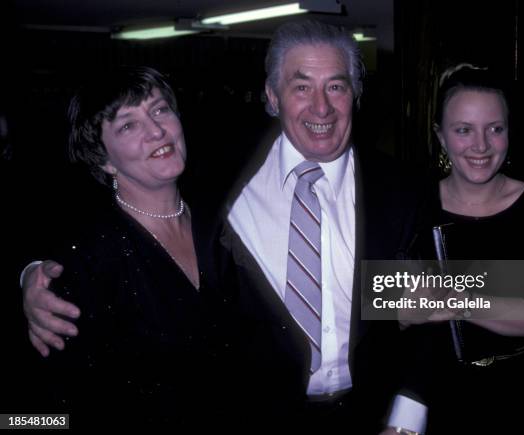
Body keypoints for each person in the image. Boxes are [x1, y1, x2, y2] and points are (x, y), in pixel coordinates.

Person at [22, 21, 433, 434]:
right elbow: (53, 206)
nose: (321, 108)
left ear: (356, 94)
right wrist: (31, 275)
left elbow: (439, 302)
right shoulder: (222, 171)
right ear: (272, 96)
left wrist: (408, 418)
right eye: (302, 86)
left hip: (371, 416)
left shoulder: (402, 190)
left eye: (337, 86)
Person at [23, 66, 234, 429]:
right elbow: (51, 410)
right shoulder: (87, 259)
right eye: (127, 125)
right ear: (104, 160)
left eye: (160, 109)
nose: (156, 130)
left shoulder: (225, 222)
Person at [408, 64, 524, 434]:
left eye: (494, 129)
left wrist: (453, 300)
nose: (480, 145)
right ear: (440, 136)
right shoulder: (411, 208)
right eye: (464, 130)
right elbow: (386, 303)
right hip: (438, 403)